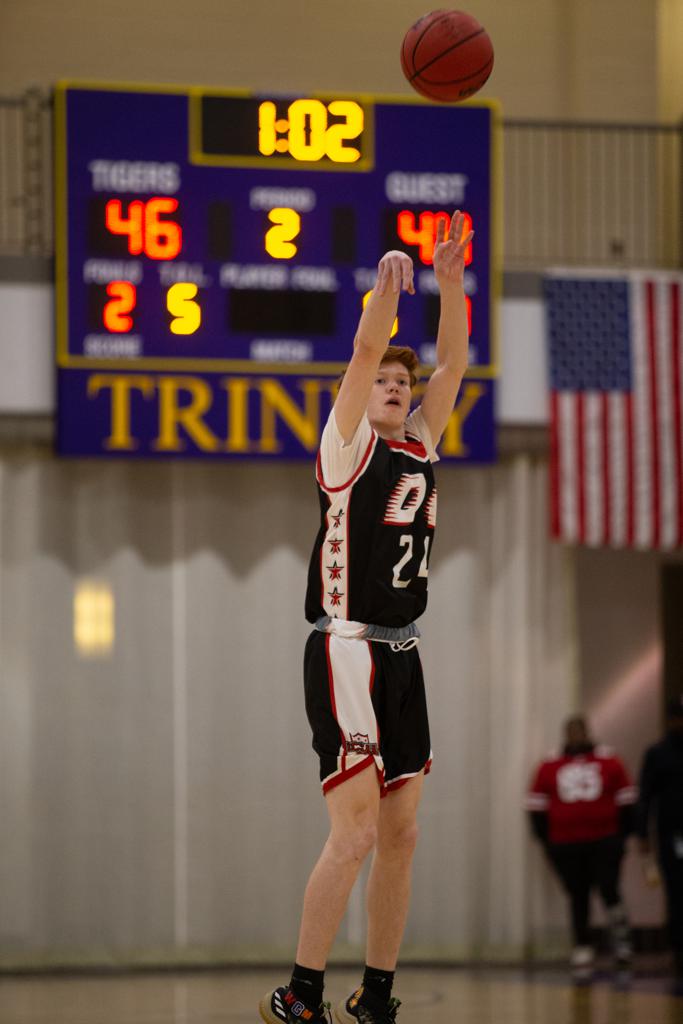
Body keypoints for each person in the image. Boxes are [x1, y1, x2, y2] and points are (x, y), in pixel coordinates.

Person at [258, 211, 473, 1024]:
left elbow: (452, 362)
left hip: (404, 655)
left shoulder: (419, 441)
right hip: (345, 651)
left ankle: (375, 993)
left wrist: (450, 282)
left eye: (400, 380)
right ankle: (301, 991)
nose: (395, 385)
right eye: (385, 379)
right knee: (350, 834)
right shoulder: (346, 447)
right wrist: (382, 300)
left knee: (402, 834)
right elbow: (358, 353)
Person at [525, 715, 637, 983]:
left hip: (604, 839)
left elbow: (627, 801)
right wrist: (547, 841)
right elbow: (536, 806)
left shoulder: (609, 760)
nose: (575, 737)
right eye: (571, 732)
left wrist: (622, 837)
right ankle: (582, 944)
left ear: (587, 732)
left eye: (579, 731)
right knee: (578, 893)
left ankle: (622, 942)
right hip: (566, 842)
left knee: (609, 888)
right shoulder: (550, 763)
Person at [636, 694, 683, 996]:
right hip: (675, 836)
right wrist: (642, 835)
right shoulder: (658, 753)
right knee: (678, 892)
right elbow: (645, 796)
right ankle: (679, 951)